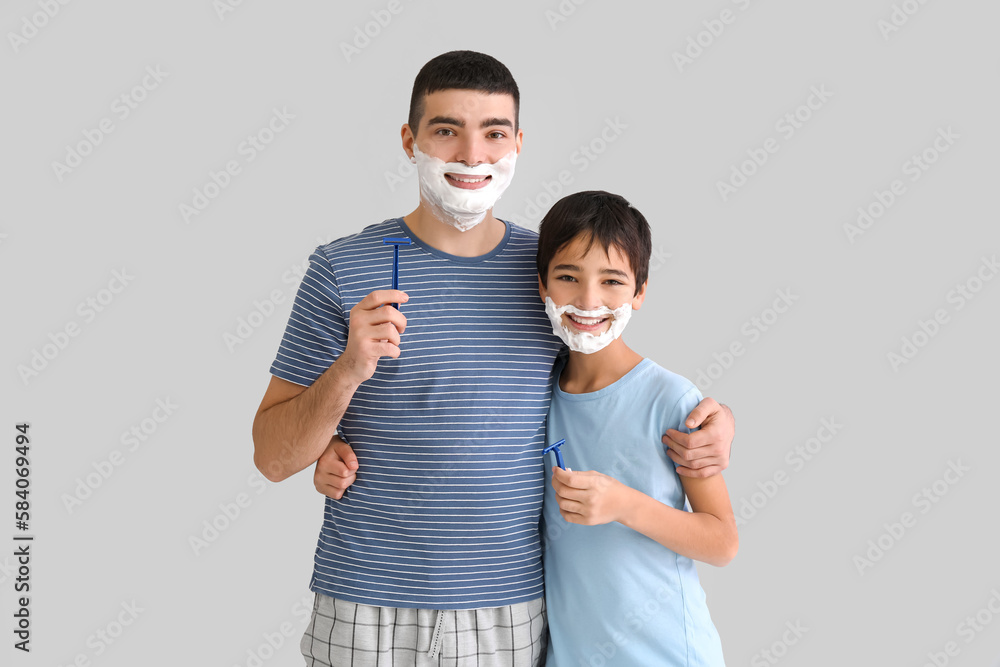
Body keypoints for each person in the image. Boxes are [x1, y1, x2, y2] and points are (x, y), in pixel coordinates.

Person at [253, 51, 735, 667]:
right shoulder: (341, 268)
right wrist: (347, 373)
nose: (472, 154)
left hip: (507, 611)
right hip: (362, 602)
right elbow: (272, 456)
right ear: (410, 140)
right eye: (447, 130)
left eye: (494, 133)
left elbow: (611, 381)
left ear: (518, 143)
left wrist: (714, 419)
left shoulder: (552, 271)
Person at [536, 190, 737, 665]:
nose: (589, 300)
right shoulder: (536, 395)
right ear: (542, 285)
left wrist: (623, 503)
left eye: (612, 281)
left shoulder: (673, 401)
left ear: (640, 292)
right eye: (568, 277)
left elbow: (722, 542)